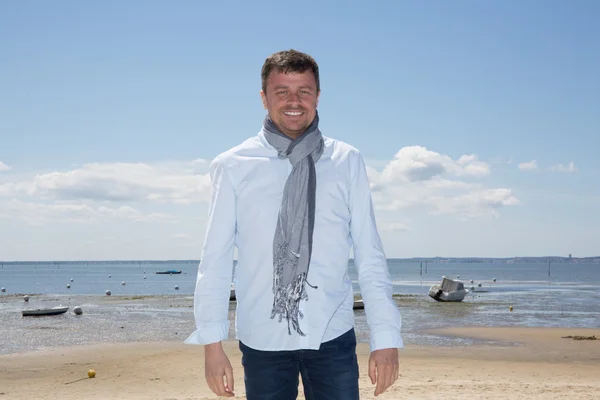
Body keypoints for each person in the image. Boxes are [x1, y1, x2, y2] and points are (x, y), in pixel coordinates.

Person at [185, 49, 403, 399]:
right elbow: (215, 260)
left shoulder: (346, 160)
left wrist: (386, 337)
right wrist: (212, 345)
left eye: (304, 90)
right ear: (263, 98)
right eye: (281, 91)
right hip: (262, 338)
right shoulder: (232, 165)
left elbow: (369, 252)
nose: (294, 101)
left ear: (318, 95)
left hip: (332, 332)